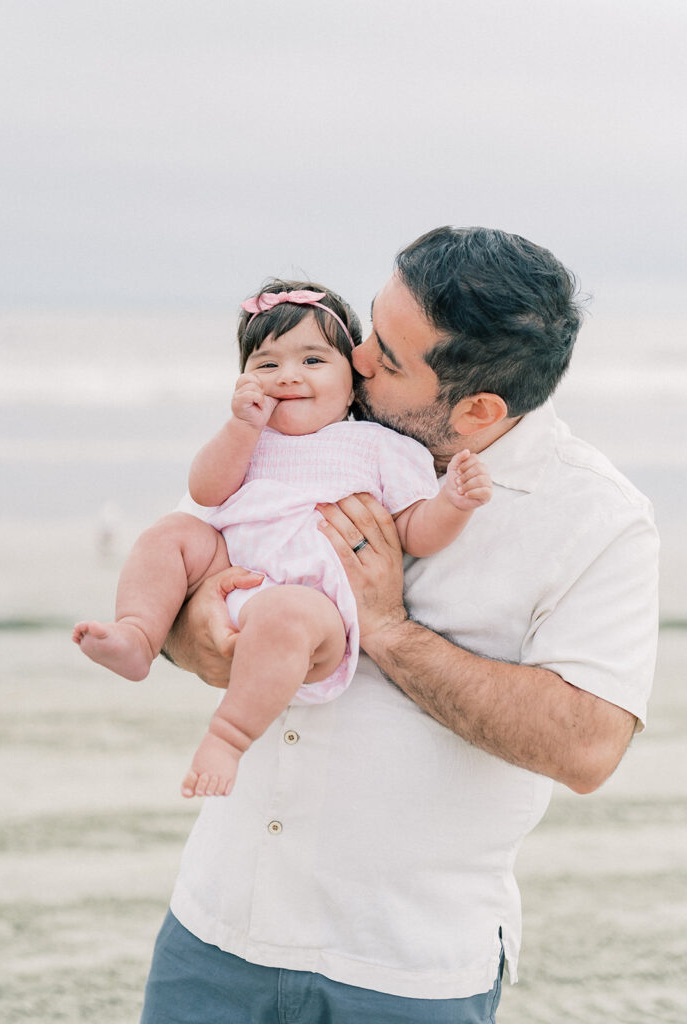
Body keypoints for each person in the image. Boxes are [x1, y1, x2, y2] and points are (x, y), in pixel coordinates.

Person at [140, 228, 659, 1024]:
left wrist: (385, 628)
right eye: (371, 328)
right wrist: (193, 630)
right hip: (216, 932)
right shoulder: (306, 427)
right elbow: (187, 572)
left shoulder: (596, 519)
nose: (356, 355)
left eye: (387, 353)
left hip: (405, 970)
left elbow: (585, 747)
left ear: (478, 408)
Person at [73, 280, 492, 800]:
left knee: (284, 615)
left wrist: (452, 504)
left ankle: (227, 738)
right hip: (230, 567)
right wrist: (241, 429)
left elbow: (413, 532)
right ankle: (138, 635)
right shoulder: (248, 439)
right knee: (170, 533)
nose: (288, 376)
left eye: (313, 361)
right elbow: (205, 490)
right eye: (266, 365)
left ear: (353, 382)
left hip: (316, 602)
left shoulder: (378, 447)